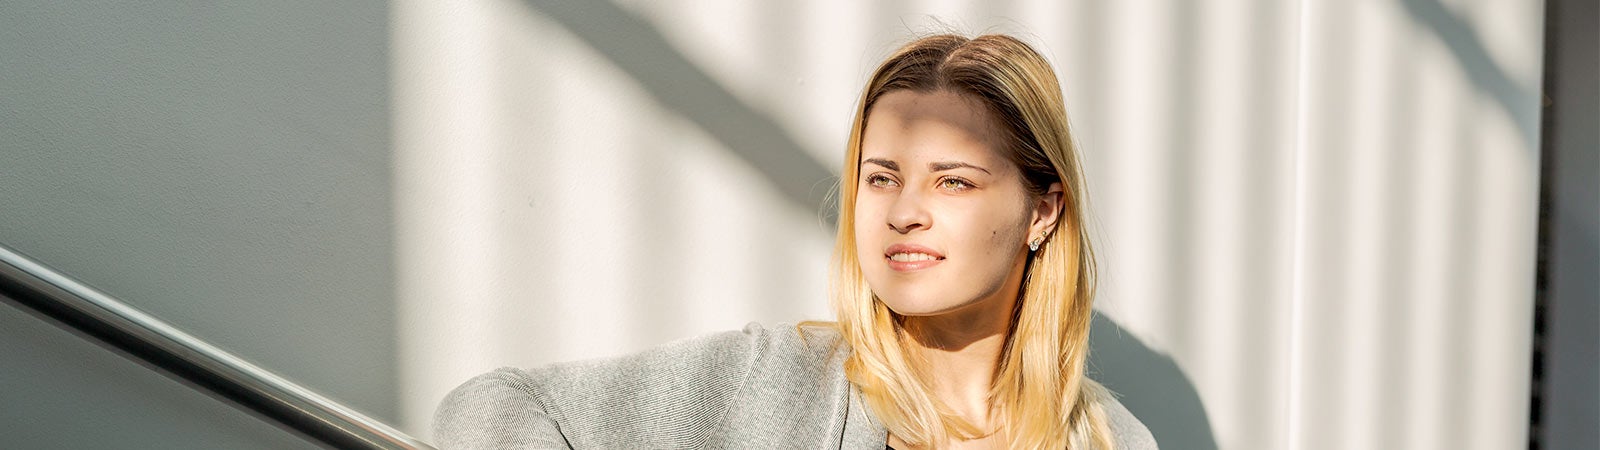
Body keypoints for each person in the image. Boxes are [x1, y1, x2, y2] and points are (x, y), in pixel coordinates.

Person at [434, 33, 1157, 449]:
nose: (904, 212)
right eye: (881, 178)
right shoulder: (779, 380)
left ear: (1043, 212)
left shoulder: (1113, 439)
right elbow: (491, 408)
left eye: (952, 182)